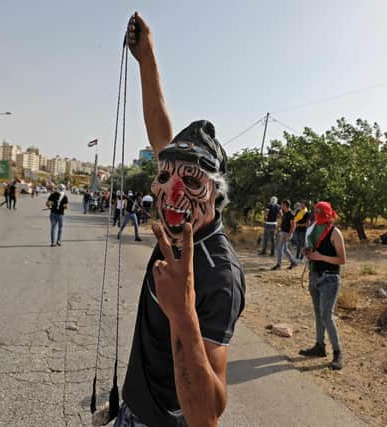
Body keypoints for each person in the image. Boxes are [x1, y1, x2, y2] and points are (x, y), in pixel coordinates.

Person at [116, 13, 246, 427]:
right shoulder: (180, 227)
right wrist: (147, 58)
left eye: (192, 180)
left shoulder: (218, 273)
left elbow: (207, 414)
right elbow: (161, 134)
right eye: (165, 175)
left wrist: (184, 314)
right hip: (133, 409)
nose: (172, 194)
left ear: (217, 194)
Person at [299, 201, 346, 371]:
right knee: (318, 314)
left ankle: (338, 352)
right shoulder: (313, 227)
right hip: (314, 275)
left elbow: (342, 260)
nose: (318, 217)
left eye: (320, 214)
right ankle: (319, 346)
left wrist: (320, 257)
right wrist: (308, 252)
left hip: (330, 278)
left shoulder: (335, 233)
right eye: (316, 213)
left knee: (327, 315)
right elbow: (313, 248)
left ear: (328, 215)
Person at [271, 200, 297, 270]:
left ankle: (279, 265)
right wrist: (279, 228)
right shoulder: (284, 213)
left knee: (280, 248)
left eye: (282, 205)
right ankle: (293, 262)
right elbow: (283, 222)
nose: (281, 206)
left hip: (287, 234)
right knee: (285, 249)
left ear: (285, 205)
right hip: (283, 232)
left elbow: (293, 226)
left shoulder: (291, 214)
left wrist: (288, 235)